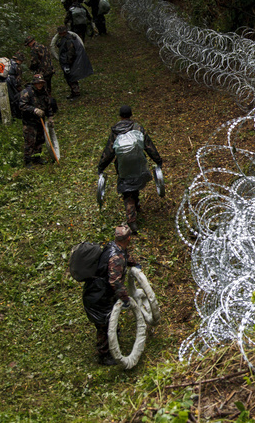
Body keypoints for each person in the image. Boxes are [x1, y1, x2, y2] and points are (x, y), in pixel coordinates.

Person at [97, 105, 163, 234]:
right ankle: (137, 206)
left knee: (127, 191)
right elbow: (149, 146)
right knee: (136, 182)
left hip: (123, 165)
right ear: (131, 115)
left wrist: (101, 167)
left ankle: (131, 220)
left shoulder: (115, 131)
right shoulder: (138, 128)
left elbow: (109, 152)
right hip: (138, 162)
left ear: (120, 116)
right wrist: (158, 160)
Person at [82, 224, 141, 366]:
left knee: (108, 318)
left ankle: (113, 335)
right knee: (103, 323)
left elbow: (124, 256)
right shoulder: (116, 257)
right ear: (127, 239)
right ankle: (104, 354)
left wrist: (134, 263)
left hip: (99, 291)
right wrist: (126, 298)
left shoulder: (113, 247)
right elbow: (115, 282)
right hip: (98, 295)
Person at [18, 74, 54, 167]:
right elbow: (22, 105)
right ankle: (27, 161)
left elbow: (48, 105)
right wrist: (34, 110)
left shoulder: (44, 92)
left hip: (40, 120)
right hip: (29, 122)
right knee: (30, 141)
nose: (40, 85)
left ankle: (37, 158)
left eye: (41, 83)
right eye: (38, 83)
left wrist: (50, 117)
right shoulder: (27, 92)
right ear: (34, 83)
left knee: (40, 139)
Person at [51, 25, 93, 100]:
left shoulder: (69, 40)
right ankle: (74, 92)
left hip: (69, 62)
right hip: (67, 61)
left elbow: (70, 53)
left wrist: (68, 63)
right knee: (70, 78)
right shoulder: (66, 38)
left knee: (71, 78)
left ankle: (76, 93)